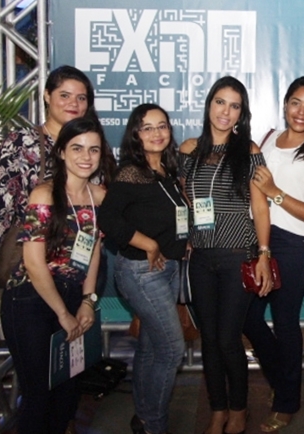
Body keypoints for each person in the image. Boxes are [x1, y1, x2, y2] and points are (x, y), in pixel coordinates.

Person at [242, 77, 304, 432]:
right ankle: (282, 379)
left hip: (294, 244)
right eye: (296, 103)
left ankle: (287, 401)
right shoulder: (268, 140)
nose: (301, 112)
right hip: (259, 237)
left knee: (285, 323)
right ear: (285, 105)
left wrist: (275, 192)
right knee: (248, 318)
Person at [1, 117, 106, 434]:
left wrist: (87, 302)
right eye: (77, 148)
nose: (86, 156)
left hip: (74, 295)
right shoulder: (44, 195)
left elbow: (93, 251)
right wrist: (63, 313)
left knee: (67, 396)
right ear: (61, 152)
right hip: (31, 299)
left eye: (94, 149)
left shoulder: (99, 196)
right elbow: (33, 263)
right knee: (38, 396)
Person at [180, 76, 273, 434]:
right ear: (209, 105)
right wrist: (188, 233)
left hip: (238, 255)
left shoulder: (248, 151)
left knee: (228, 338)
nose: (226, 111)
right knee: (209, 339)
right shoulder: (188, 150)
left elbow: (260, 208)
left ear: (241, 113)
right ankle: (217, 409)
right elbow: (183, 199)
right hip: (201, 259)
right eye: (220, 102)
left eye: (234, 106)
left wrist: (263, 254)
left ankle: (238, 409)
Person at [0, 65, 109, 305]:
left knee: (81, 325)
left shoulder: (94, 143)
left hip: (84, 269)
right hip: (31, 269)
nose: (73, 103)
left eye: (81, 98)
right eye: (64, 95)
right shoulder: (22, 142)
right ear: (47, 96)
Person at [98, 104, 188, 434]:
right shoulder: (130, 173)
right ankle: (155, 424)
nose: (156, 133)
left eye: (161, 126)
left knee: (151, 348)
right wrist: (148, 243)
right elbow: (108, 219)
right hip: (140, 271)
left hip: (169, 269)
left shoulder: (168, 171)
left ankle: (144, 415)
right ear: (135, 134)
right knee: (172, 349)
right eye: (147, 128)